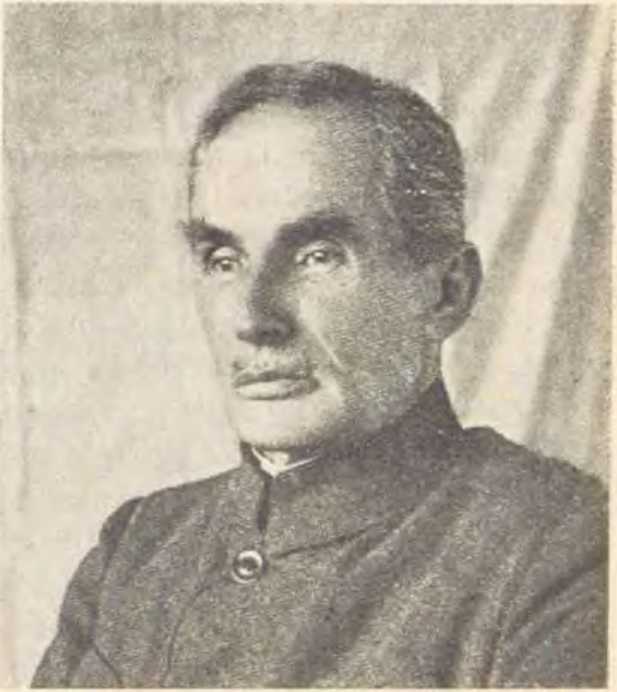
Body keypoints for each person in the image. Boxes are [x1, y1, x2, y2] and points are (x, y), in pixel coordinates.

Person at [32, 62, 607, 688]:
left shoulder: (558, 548)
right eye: (223, 259)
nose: (253, 318)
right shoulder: (138, 551)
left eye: (317, 256)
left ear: (446, 292)